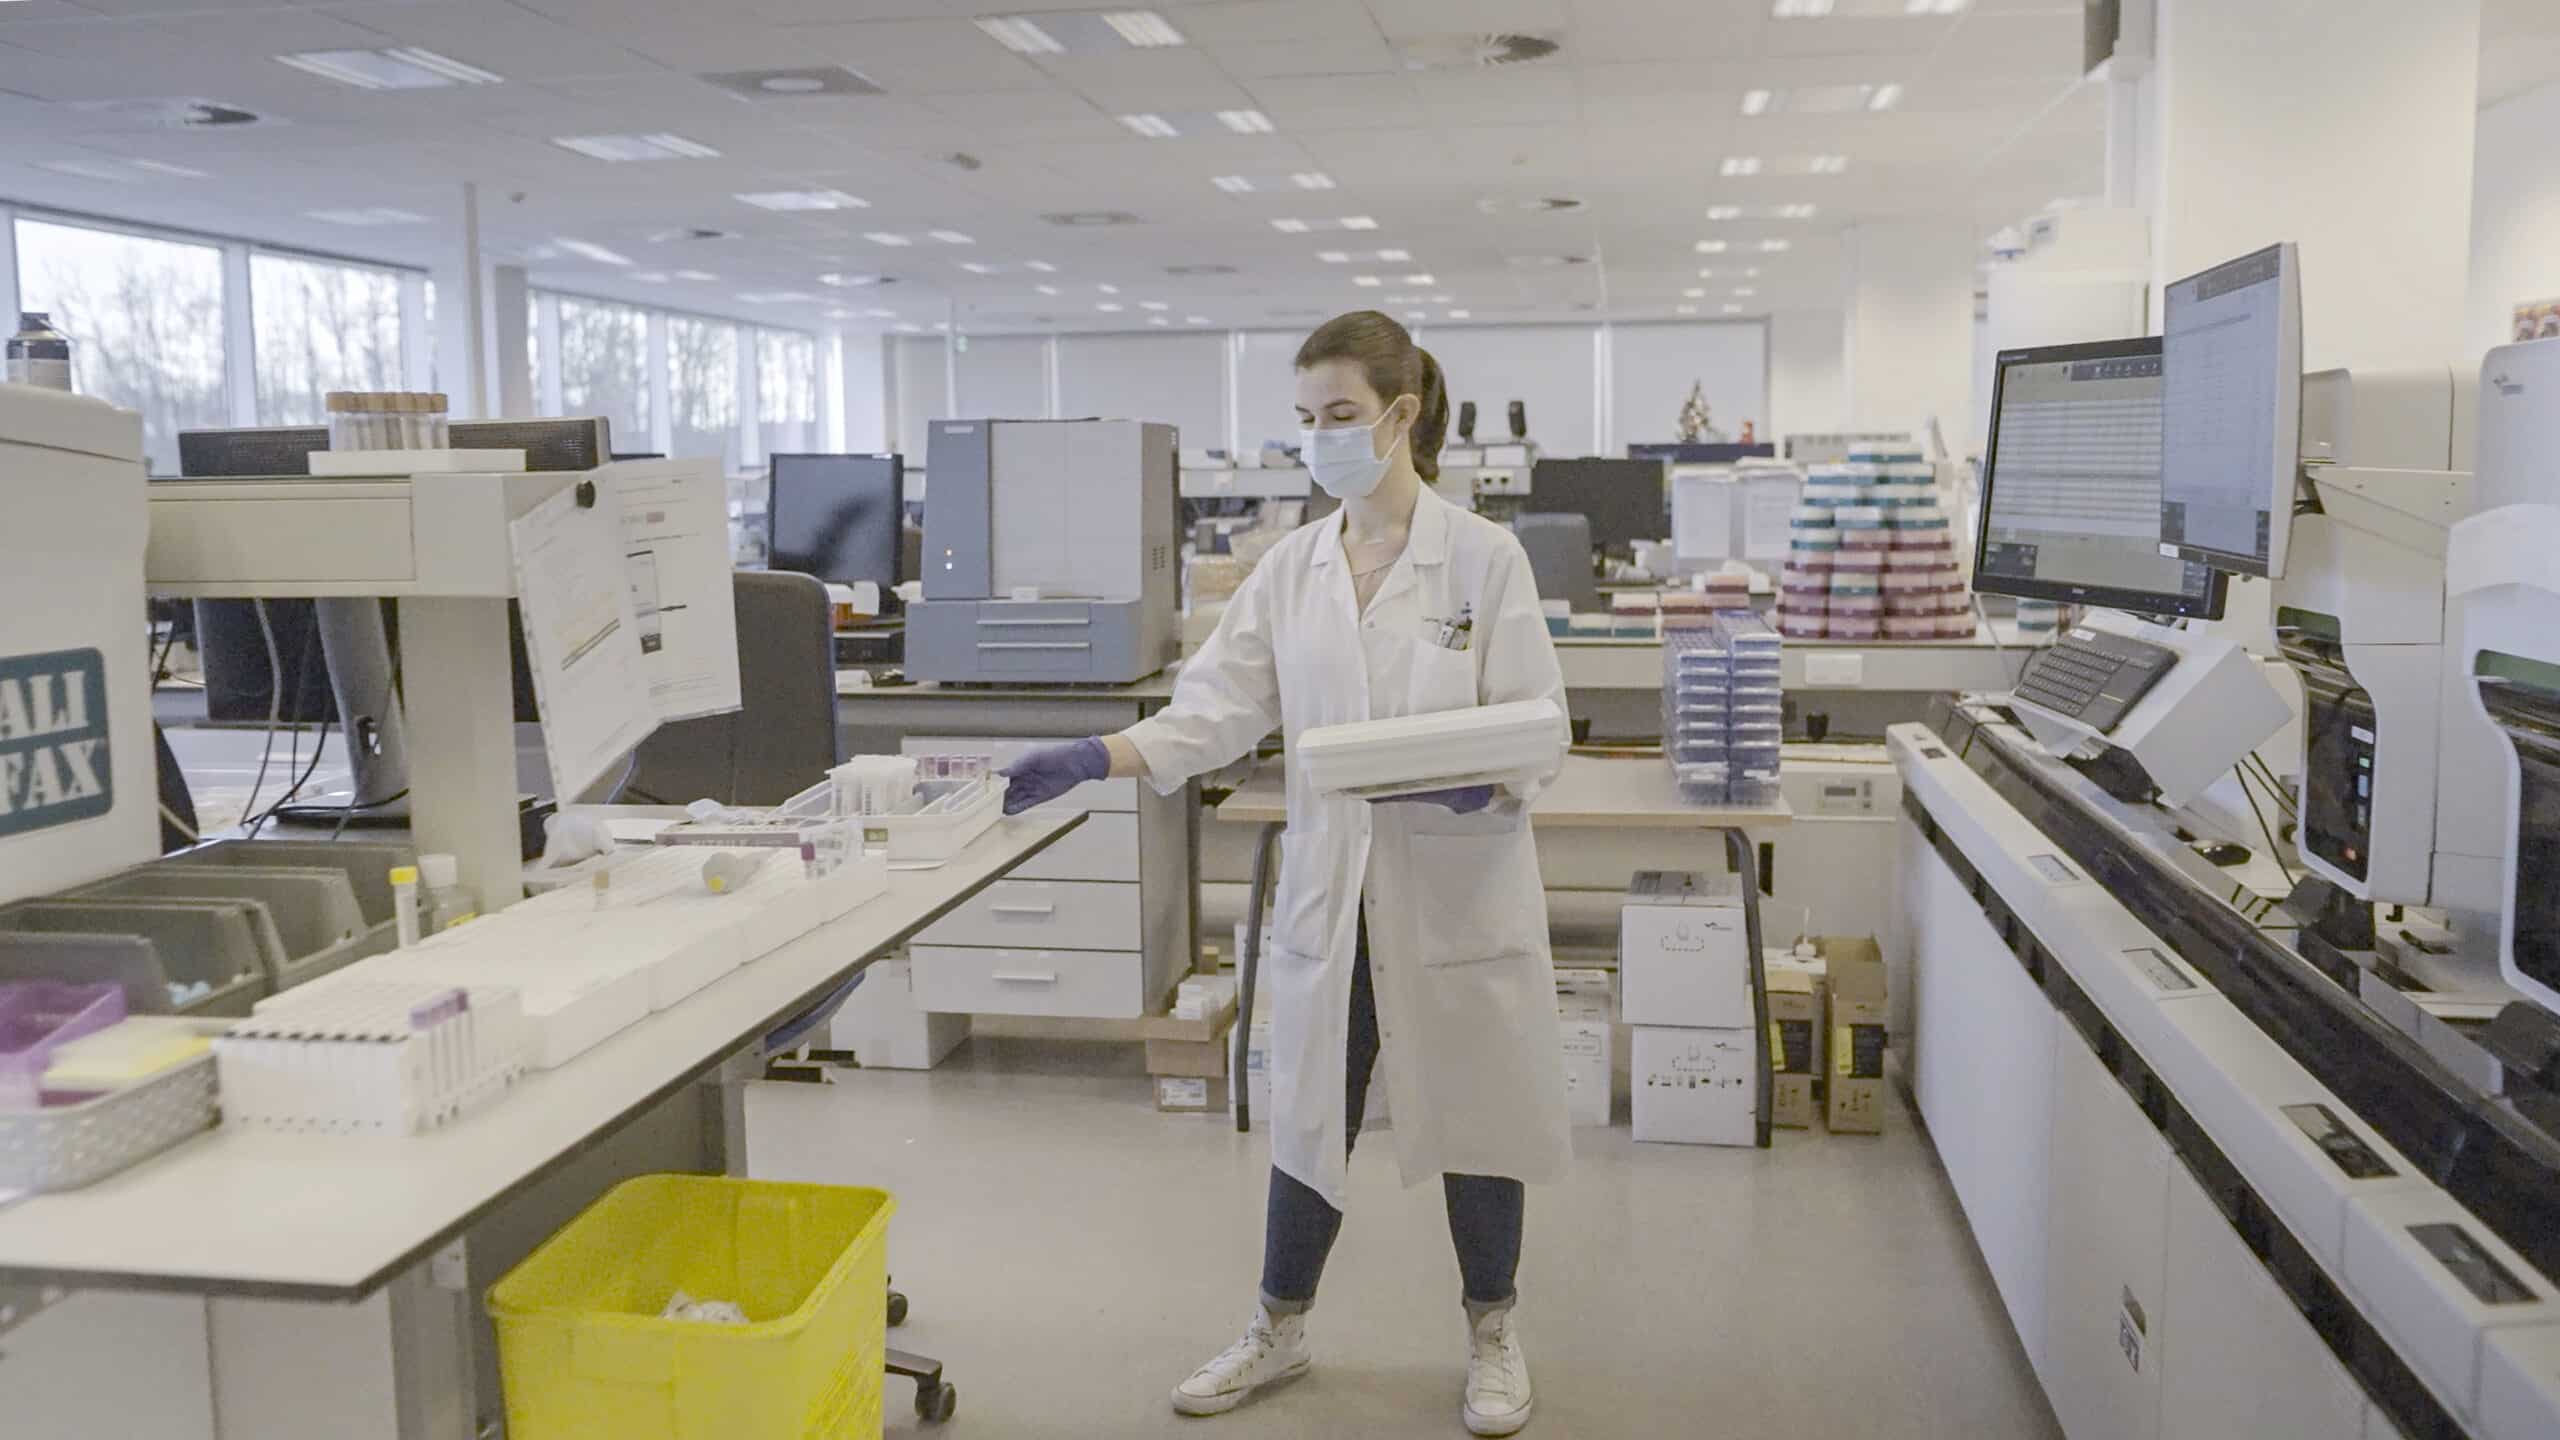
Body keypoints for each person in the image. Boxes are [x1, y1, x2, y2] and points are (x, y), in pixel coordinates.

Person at [999, 311, 1573, 1435]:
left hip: (1452, 884)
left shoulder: (1480, 557)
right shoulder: (1293, 568)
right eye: (1307, 421)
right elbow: (1212, 711)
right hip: (1331, 890)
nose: (1322, 440)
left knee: (1475, 1110)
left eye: (1343, 417)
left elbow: (1538, 723)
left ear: (1402, 416)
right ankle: (1278, 1328)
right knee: (1309, 1110)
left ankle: (1494, 1332)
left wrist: (1485, 780)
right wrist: (1094, 756)